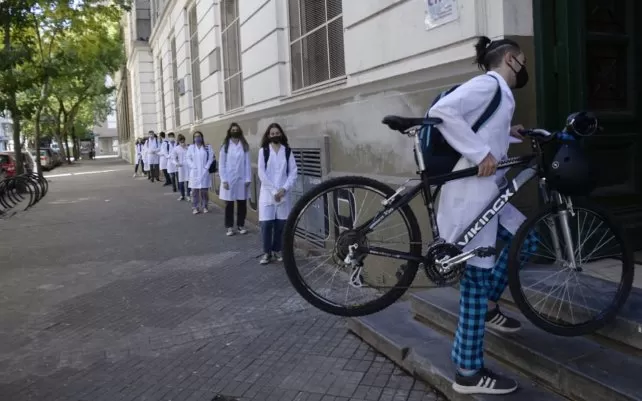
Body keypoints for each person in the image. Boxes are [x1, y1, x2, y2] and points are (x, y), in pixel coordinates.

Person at [428, 36, 535, 395]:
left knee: (527, 239)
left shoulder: (500, 92)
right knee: (475, 279)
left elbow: (482, 127)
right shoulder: (487, 84)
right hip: (471, 195)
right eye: (522, 59)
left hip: (489, 194)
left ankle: (489, 307)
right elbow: (442, 113)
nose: (524, 66)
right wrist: (479, 154)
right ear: (510, 58)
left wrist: (509, 132)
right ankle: (468, 372)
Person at [257, 123, 297, 265]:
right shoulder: (264, 151)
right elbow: (261, 173)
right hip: (268, 194)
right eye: (272, 133)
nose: (275, 135)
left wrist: (284, 189)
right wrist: (274, 191)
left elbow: (293, 172)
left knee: (281, 225)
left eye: (277, 133)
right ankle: (267, 253)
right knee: (266, 225)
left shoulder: (287, 151)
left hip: (283, 193)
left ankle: (276, 250)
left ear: (281, 134)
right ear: (268, 136)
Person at [219, 123, 252, 236]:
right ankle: (229, 227)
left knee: (242, 203)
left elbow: (247, 163)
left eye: (236, 129)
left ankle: (240, 225)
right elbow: (222, 164)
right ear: (229, 131)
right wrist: (224, 180)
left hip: (242, 178)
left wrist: (248, 178)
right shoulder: (225, 146)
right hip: (229, 178)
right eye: (233, 130)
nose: (235, 131)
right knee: (229, 204)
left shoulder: (244, 145)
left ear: (239, 131)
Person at [186, 130, 213, 214]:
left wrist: (206, 167)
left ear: (202, 137)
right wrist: (192, 166)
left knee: (204, 191)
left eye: (199, 136)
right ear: (193, 138)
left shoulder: (207, 147)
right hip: (195, 172)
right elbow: (188, 158)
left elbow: (211, 158)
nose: (197, 138)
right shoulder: (191, 147)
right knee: (194, 191)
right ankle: (195, 207)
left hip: (204, 171)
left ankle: (205, 206)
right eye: (195, 137)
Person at [172, 134, 190, 201]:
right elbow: (173, 158)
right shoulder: (176, 149)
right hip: (181, 167)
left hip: (188, 167)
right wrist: (176, 163)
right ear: (179, 142)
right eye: (181, 142)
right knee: (181, 182)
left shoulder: (188, 148)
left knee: (188, 181)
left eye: (183, 142)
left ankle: (188, 195)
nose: (183, 143)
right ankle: (182, 195)